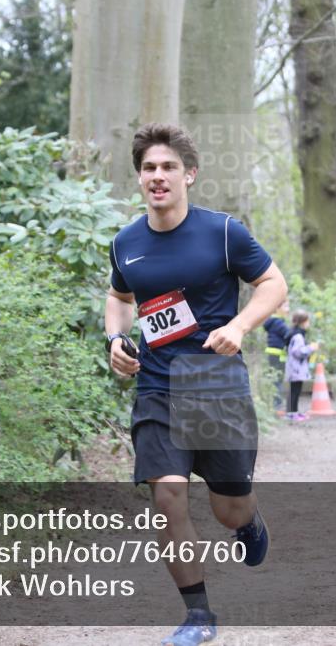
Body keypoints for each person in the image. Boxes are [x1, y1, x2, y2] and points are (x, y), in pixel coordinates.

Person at [105, 123, 288, 646]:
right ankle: (198, 617)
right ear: (139, 178)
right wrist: (115, 341)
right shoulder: (126, 242)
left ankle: (248, 522)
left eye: (167, 168)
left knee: (229, 507)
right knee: (168, 497)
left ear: (190, 174)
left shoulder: (223, 232)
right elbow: (119, 298)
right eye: (148, 168)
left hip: (215, 384)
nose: (157, 177)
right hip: (158, 386)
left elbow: (273, 283)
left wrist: (238, 326)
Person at [284, 309, 318, 421]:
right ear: (303, 322)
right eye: (307, 321)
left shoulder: (294, 333)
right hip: (296, 368)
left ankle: (294, 412)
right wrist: (311, 348)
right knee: (295, 391)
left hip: (295, 368)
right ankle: (291, 414)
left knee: (295, 391)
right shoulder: (298, 336)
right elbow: (297, 351)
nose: (309, 324)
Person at [262, 299, 291, 415]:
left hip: (274, 355)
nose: (288, 310)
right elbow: (289, 335)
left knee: (275, 380)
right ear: (277, 308)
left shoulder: (274, 322)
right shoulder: (278, 323)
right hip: (277, 356)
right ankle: (277, 407)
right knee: (277, 381)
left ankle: (274, 405)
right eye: (285, 307)